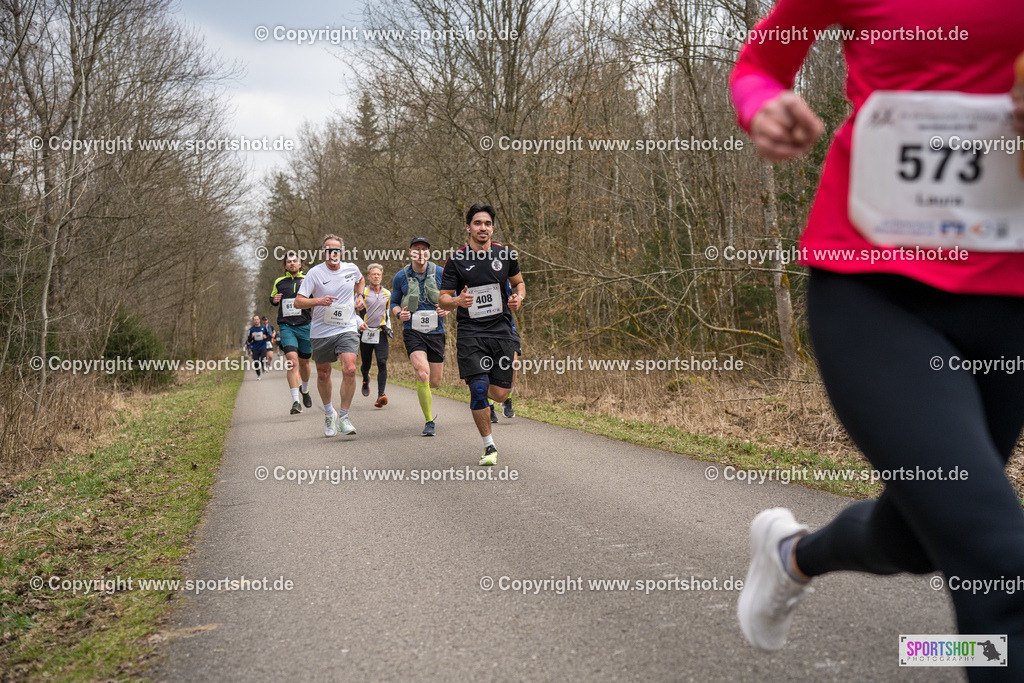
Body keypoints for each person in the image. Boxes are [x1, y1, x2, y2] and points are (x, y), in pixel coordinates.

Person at [730, 3, 1024, 678]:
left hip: (1008, 304)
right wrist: (764, 107)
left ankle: (793, 555)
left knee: (924, 536)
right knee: (998, 556)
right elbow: (760, 63)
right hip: (873, 290)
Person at [439, 205, 525, 465]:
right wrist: (457, 301)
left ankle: (499, 393)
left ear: (493, 228)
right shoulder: (456, 260)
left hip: (501, 331)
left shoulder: (505, 255)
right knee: (478, 389)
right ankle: (489, 446)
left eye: (487, 223)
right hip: (471, 333)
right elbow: (443, 299)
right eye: (477, 223)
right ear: (468, 228)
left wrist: (518, 298)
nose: (483, 228)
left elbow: (518, 283)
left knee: (499, 394)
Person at [294, 234, 367, 437]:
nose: (333, 254)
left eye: (336, 250)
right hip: (322, 330)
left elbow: (361, 280)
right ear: (323, 252)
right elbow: (298, 302)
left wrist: (360, 295)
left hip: (347, 327)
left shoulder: (351, 268)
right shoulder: (314, 273)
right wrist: (318, 301)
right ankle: (329, 413)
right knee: (323, 373)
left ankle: (344, 417)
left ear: (341, 252)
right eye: (329, 250)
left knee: (350, 369)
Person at [391, 238, 448, 436]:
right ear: (410, 252)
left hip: (436, 332)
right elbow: (394, 303)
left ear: (429, 253)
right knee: (423, 373)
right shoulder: (401, 276)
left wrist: (447, 308)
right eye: (417, 249)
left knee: (435, 381)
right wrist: (400, 314)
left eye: (424, 249)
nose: (421, 252)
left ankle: (425, 391)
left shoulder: (440, 272)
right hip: (413, 331)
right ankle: (429, 421)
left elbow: (453, 297)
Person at [270, 251, 314, 414]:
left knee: (305, 363)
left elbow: (317, 297)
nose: (292, 263)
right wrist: (274, 300)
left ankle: (305, 389)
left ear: (300, 264)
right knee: (292, 362)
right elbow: (272, 298)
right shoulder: (279, 282)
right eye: (289, 261)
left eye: (295, 261)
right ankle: (296, 401)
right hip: (286, 326)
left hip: (305, 326)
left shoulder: (308, 279)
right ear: (285, 265)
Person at [356, 263, 393, 408]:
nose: (376, 276)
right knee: (366, 364)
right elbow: (352, 311)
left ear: (381, 277)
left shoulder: (387, 293)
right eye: (373, 274)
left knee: (382, 362)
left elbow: (387, 313)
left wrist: (389, 328)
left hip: (381, 332)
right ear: (368, 276)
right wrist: (359, 323)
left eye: (378, 274)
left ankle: (381, 395)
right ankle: (366, 378)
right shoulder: (362, 293)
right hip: (365, 332)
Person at [245, 315, 272, 380]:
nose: (256, 321)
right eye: (255, 320)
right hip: (255, 348)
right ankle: (258, 375)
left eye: (257, 319)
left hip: (263, 346)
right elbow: (248, 340)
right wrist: (252, 336)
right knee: (256, 362)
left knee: (263, 359)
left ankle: (264, 367)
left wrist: (266, 337)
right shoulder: (251, 329)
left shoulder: (264, 328)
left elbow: (269, 336)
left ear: (259, 320)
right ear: (253, 321)